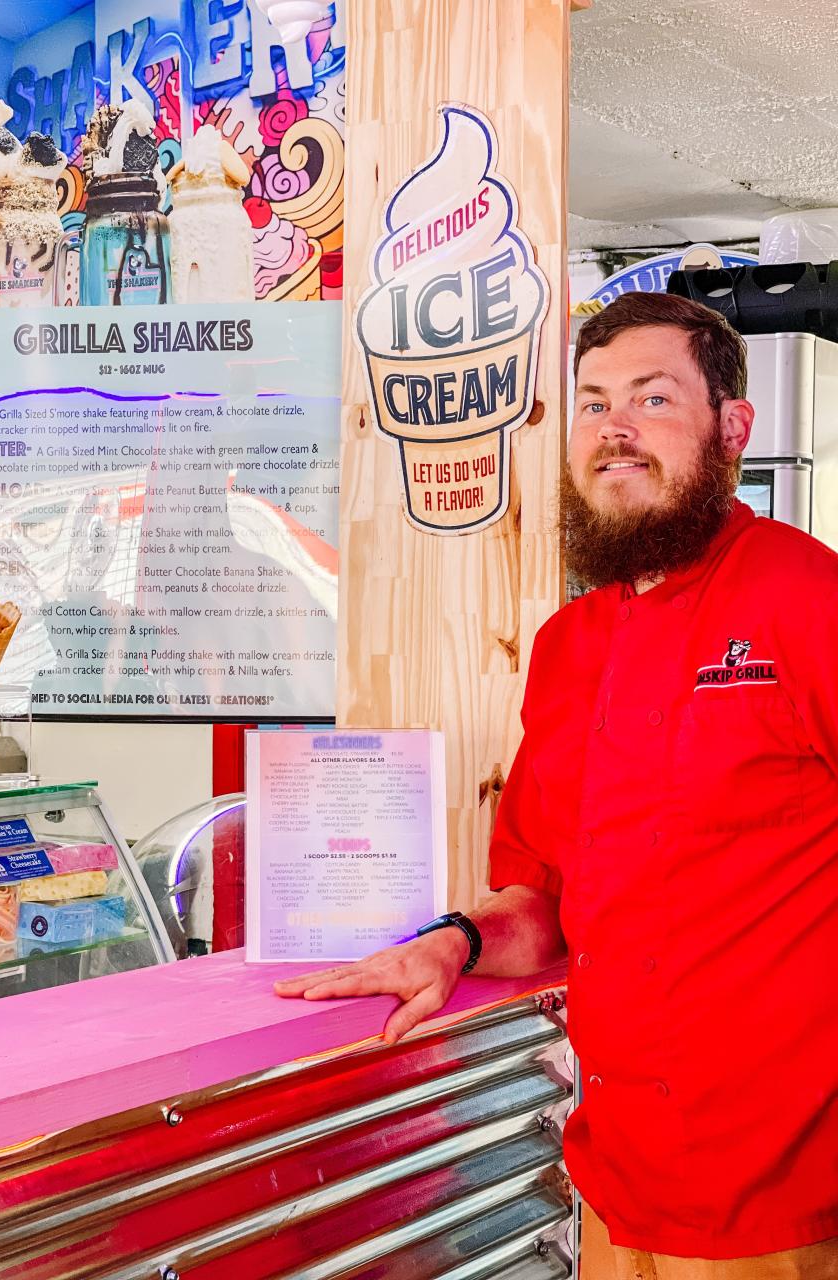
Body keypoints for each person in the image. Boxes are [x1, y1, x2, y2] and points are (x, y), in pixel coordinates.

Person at [276, 292, 838, 1278]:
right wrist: (449, 942)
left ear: (733, 426)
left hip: (787, 1204)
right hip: (616, 1187)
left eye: (653, 397)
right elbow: (543, 909)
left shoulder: (806, 596)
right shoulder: (568, 646)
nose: (614, 429)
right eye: (591, 403)